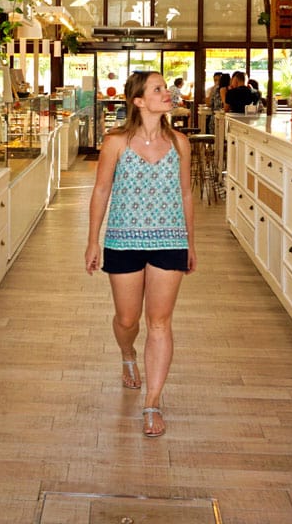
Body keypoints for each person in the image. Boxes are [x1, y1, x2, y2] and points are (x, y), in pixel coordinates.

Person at [84, 71, 196, 438]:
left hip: (169, 239)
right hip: (123, 238)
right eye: (158, 89)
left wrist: (190, 243)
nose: (168, 93)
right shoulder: (115, 142)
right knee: (127, 320)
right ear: (138, 101)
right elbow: (101, 191)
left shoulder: (180, 143)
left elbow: (185, 195)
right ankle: (127, 354)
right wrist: (92, 240)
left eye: (166, 88)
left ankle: (152, 402)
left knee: (160, 322)